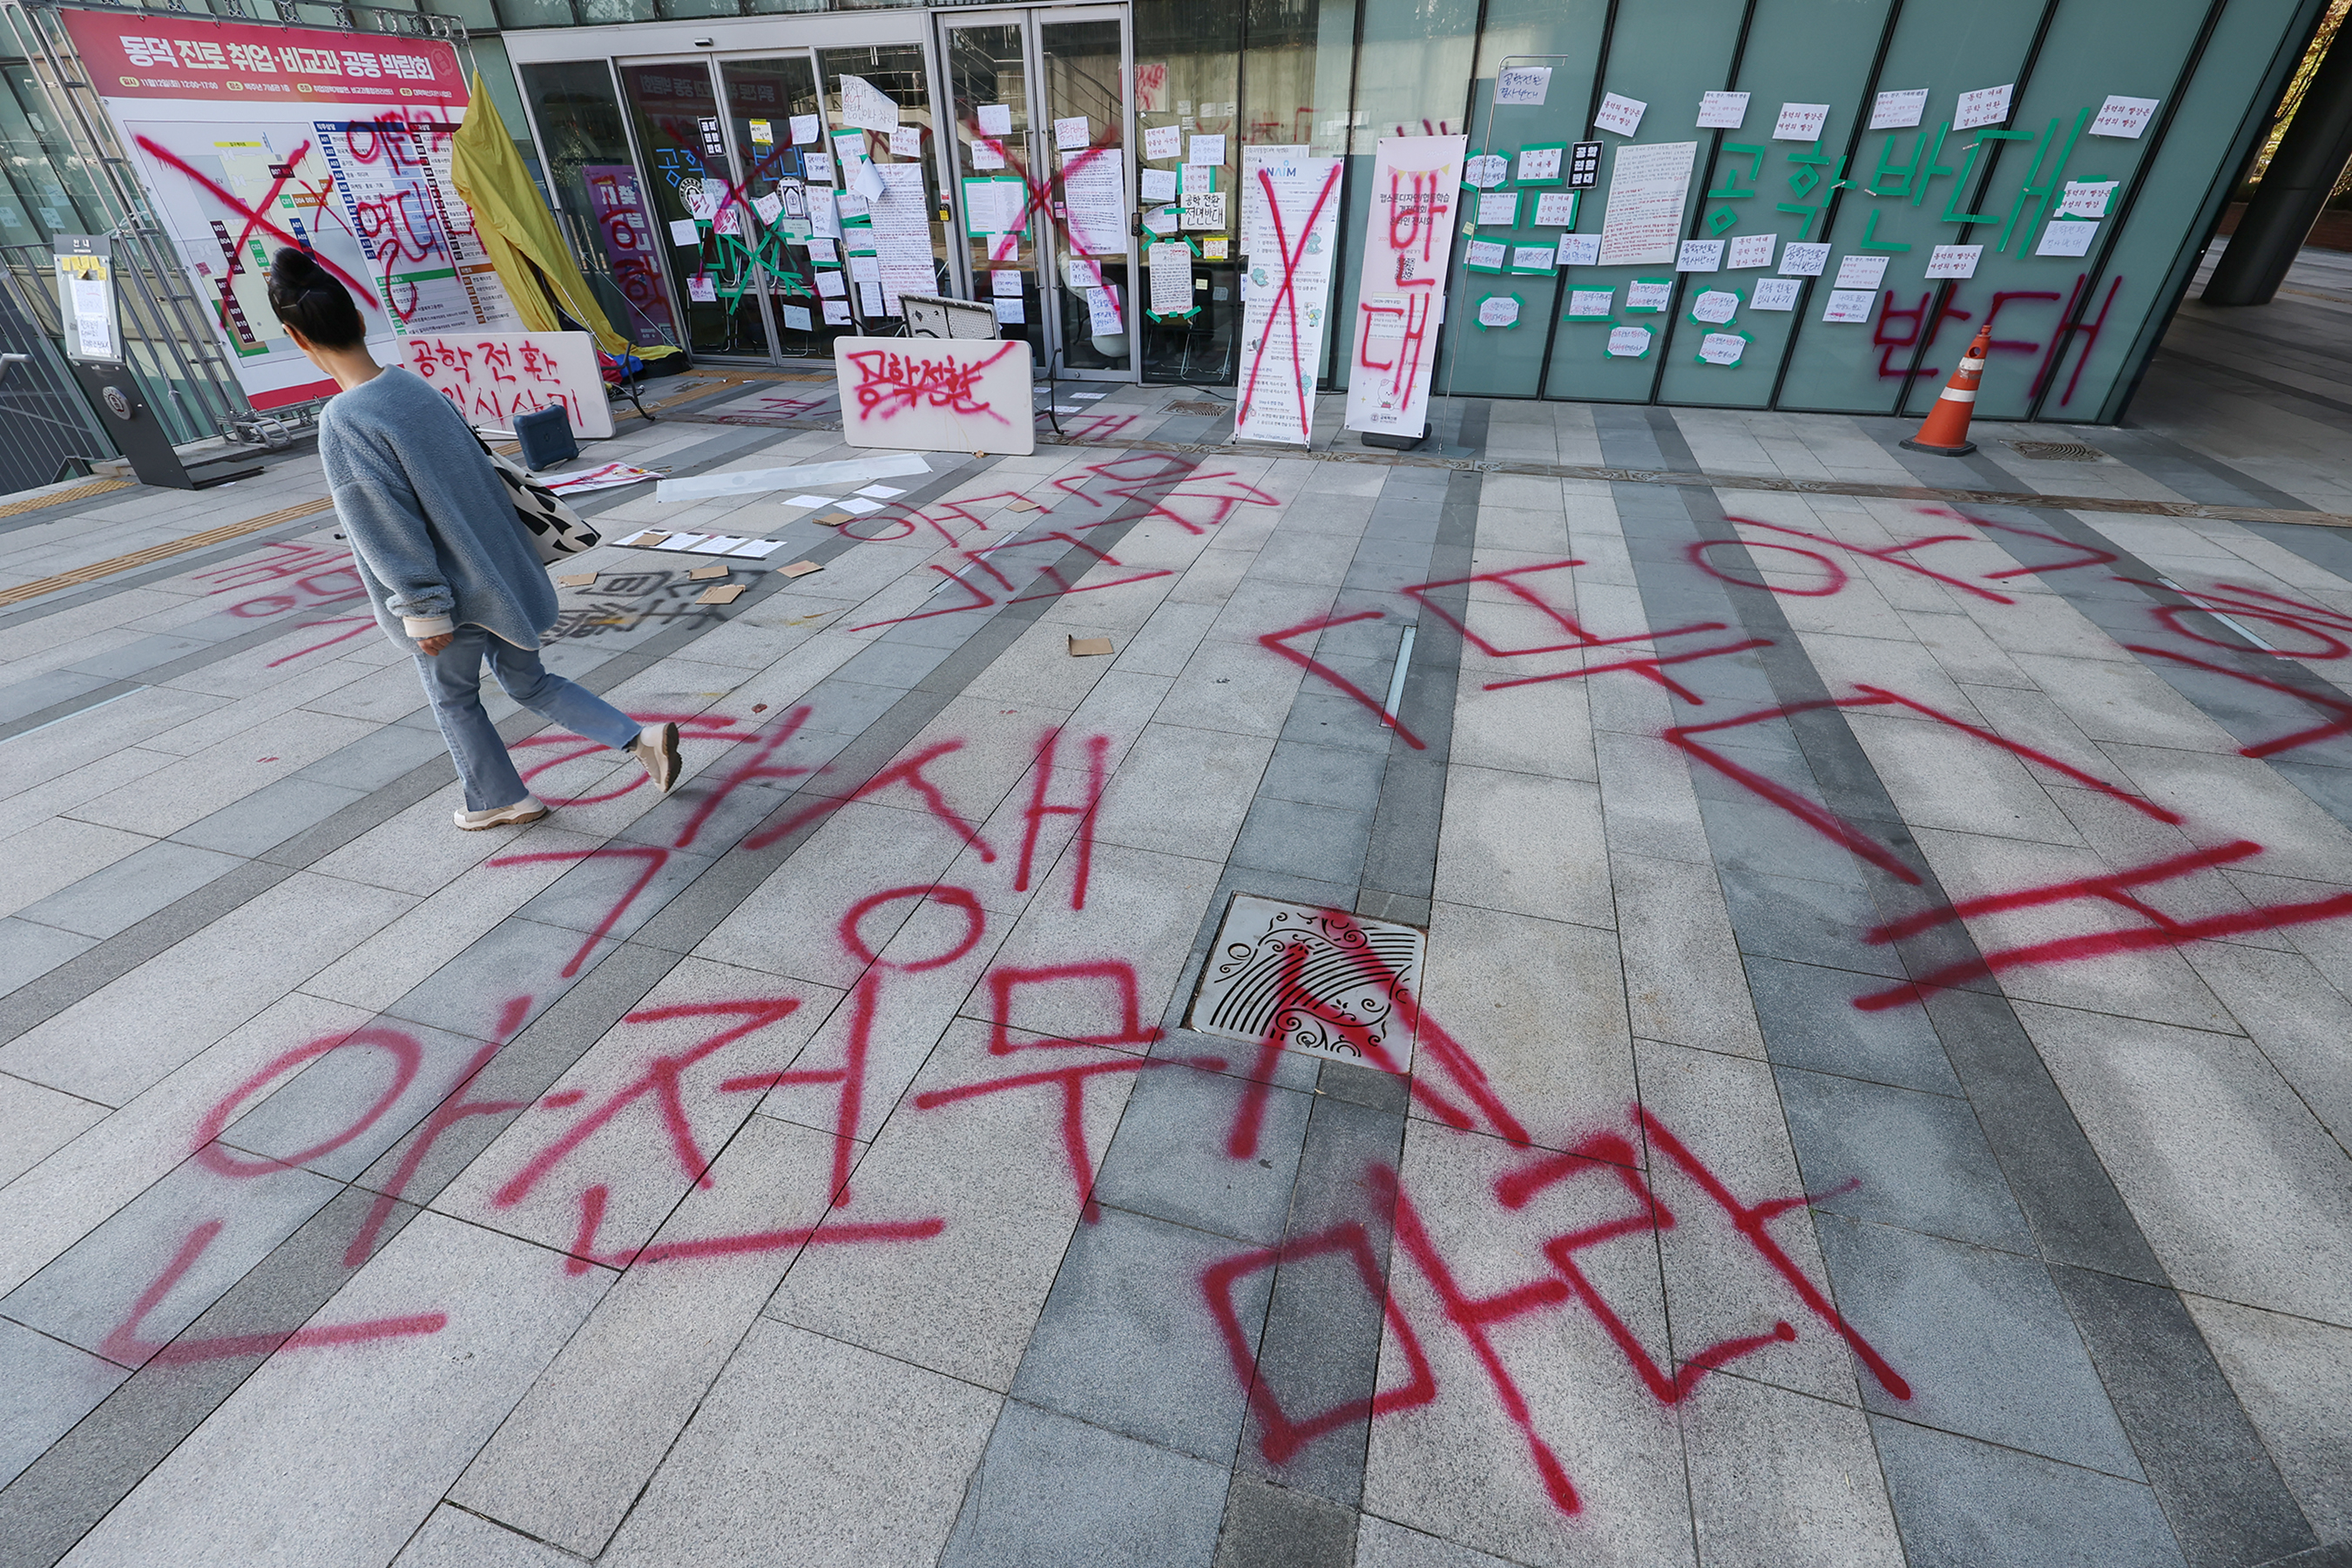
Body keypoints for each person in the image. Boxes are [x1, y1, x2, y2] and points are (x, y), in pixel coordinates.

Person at [266, 247, 679, 829]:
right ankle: (639, 739)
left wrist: (422, 609)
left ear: (295, 338)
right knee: (529, 681)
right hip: (500, 573)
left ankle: (499, 799)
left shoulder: (344, 419)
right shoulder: (413, 388)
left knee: (454, 697)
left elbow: (382, 520)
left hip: (451, 595)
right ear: (360, 319)